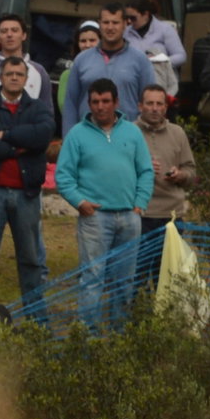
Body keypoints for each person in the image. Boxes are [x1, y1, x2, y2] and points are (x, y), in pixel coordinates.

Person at [55, 78, 154, 327]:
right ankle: (87, 335)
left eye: (105, 101)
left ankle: (119, 334)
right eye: (95, 102)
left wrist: (140, 203)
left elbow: (145, 170)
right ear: (89, 104)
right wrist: (80, 202)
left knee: (125, 279)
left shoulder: (132, 132)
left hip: (130, 216)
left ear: (116, 102)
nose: (100, 107)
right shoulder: (77, 134)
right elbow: (63, 176)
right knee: (92, 277)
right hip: (95, 218)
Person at [0, 56, 54, 314]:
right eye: (9, 74)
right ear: (0, 78)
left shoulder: (38, 109)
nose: (14, 77)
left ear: (26, 79)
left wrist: (5, 136)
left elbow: (44, 134)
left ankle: (36, 320)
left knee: (30, 260)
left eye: (19, 74)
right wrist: (21, 147)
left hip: (26, 195)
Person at [62, 5, 155, 134]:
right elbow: (70, 104)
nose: (110, 27)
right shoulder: (81, 60)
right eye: (106, 22)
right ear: (99, 24)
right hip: (88, 136)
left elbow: (149, 102)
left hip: (126, 138)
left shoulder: (140, 60)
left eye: (115, 22)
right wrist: (69, 139)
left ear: (125, 24)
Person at [136, 83, 196, 236]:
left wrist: (180, 175)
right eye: (150, 103)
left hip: (172, 215)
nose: (155, 108)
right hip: (140, 213)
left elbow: (191, 172)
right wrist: (141, 168)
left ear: (166, 108)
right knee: (141, 261)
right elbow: (117, 173)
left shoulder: (178, 133)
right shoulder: (129, 132)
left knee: (169, 261)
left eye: (159, 104)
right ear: (140, 106)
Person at [0, 13, 54, 104]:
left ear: (24, 36)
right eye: (4, 31)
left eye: (14, 30)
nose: (9, 35)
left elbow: (47, 112)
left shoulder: (39, 71)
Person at [124, 0, 187, 97]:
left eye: (133, 18)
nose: (129, 22)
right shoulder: (126, 33)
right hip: (135, 85)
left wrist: (159, 60)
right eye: (127, 18)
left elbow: (181, 56)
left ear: (146, 14)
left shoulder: (165, 29)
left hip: (162, 84)